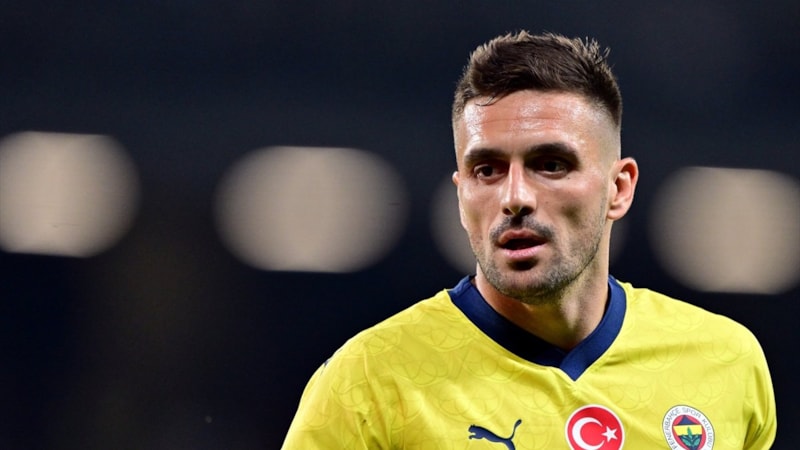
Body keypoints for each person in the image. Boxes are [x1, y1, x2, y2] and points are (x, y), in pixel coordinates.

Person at [282, 31, 777, 449]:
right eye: (487, 170)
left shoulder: (727, 362)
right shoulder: (366, 384)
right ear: (461, 196)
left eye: (551, 164)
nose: (515, 197)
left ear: (619, 188)